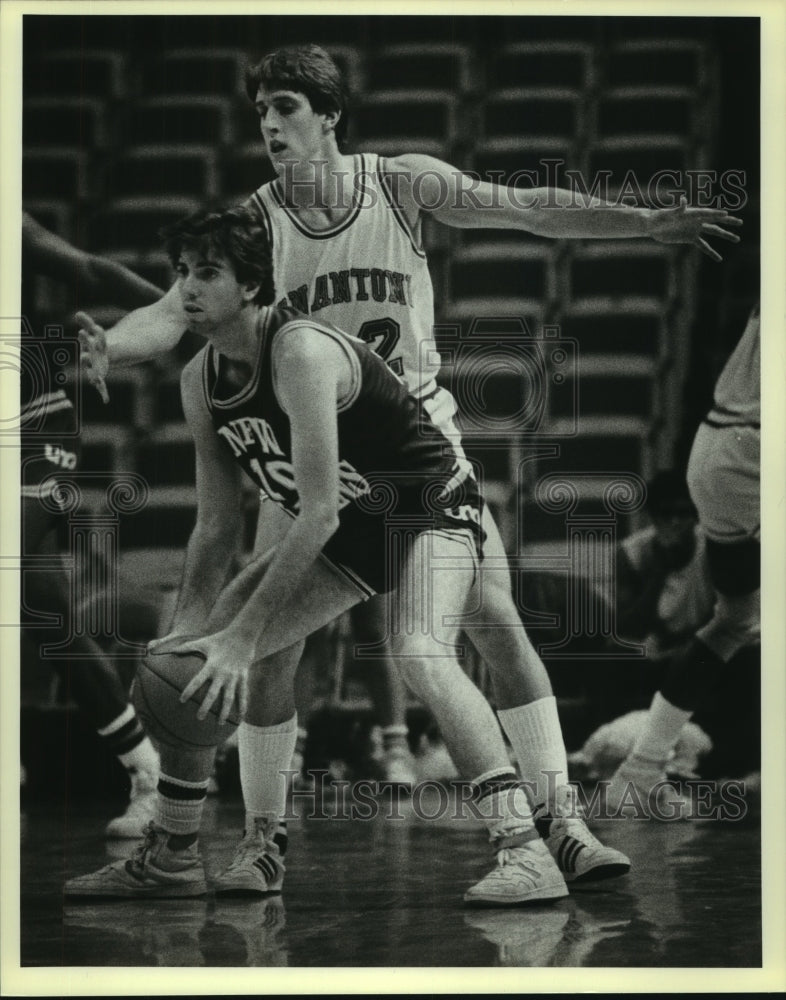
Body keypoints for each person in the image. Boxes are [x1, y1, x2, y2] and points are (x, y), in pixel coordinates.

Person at [78, 44, 741, 880]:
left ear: (329, 116)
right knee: (268, 644)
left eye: (285, 108)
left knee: (490, 621)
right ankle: (261, 840)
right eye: (260, 113)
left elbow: (528, 207)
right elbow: (170, 312)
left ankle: (559, 822)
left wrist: (642, 223)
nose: (270, 126)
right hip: (312, 453)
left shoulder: (398, 183)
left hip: (413, 443)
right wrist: (112, 343)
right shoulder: (256, 222)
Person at [65, 206, 631, 904]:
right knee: (198, 661)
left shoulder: (299, 352)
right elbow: (213, 529)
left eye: (206, 273)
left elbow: (320, 507)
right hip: (352, 523)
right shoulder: (199, 383)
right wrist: (192, 634)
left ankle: (526, 850)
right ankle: (179, 855)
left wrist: (241, 636)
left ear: (250, 286)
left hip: (428, 501)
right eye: (180, 273)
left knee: (420, 650)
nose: (187, 288)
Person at [20, 211, 164, 837]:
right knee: (45, 609)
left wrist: (177, 312)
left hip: (31, 423)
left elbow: (86, 269)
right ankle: (148, 770)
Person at [607, 302, 760, 814]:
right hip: (759, 444)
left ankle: (641, 769)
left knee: (736, 621)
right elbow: (624, 627)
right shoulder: (632, 554)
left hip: (717, 448)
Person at [616, 469, 715, 659]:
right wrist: (660, 568)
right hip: (651, 648)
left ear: (695, 516)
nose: (675, 522)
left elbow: (724, 613)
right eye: (666, 514)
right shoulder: (632, 552)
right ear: (652, 517)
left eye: (683, 513)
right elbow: (626, 624)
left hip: (698, 644)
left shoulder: (710, 547)